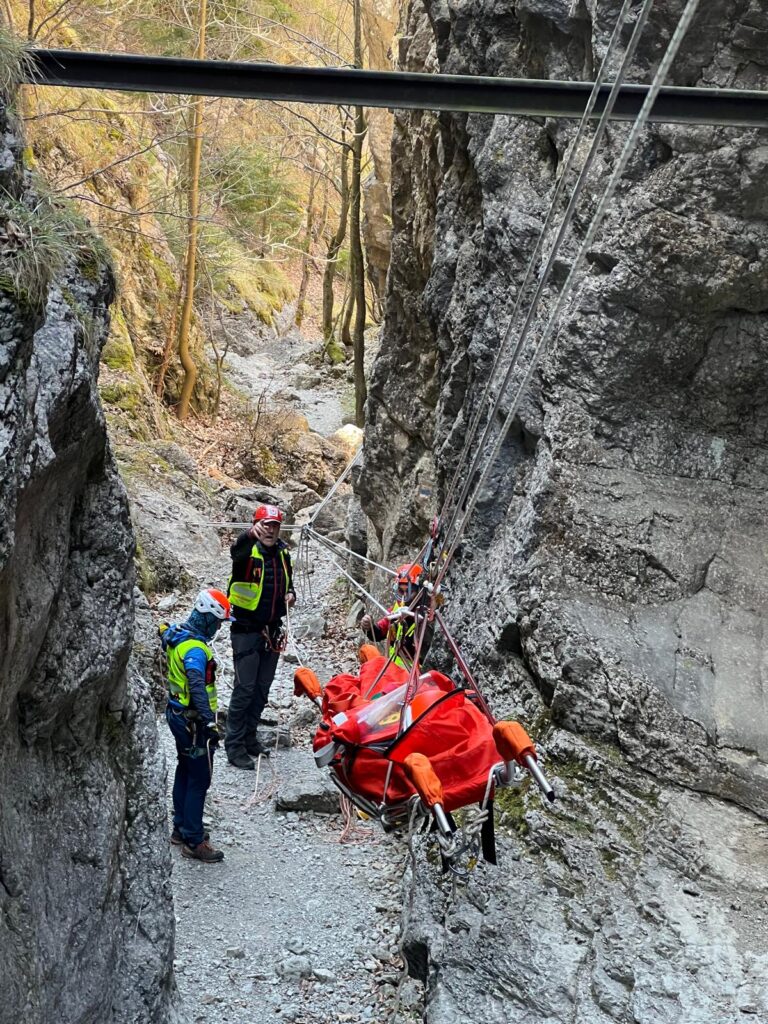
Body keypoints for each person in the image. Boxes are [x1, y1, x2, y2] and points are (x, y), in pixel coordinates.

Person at [225, 503, 296, 770]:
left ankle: (249, 737)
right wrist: (248, 535)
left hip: (271, 630)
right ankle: (234, 747)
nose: (270, 530)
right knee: (244, 689)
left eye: (275, 525)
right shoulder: (247, 551)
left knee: (262, 688)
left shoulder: (283, 554)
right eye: (266, 525)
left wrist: (292, 595)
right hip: (245, 630)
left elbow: (289, 583)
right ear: (257, 525)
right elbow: (236, 552)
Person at [162, 588, 230, 864]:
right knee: (200, 777)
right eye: (217, 622)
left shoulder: (179, 634)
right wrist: (209, 722)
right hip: (193, 723)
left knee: (185, 767)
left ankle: (181, 826)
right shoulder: (195, 650)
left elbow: (164, 632)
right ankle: (193, 838)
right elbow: (197, 685)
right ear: (208, 618)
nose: (217, 628)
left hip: (177, 715)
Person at [360, 563, 433, 668]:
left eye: (409, 592)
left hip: (417, 673)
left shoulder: (427, 612)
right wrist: (369, 626)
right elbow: (379, 632)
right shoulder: (396, 610)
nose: (404, 597)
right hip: (394, 668)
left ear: (419, 591)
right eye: (400, 591)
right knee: (367, 650)